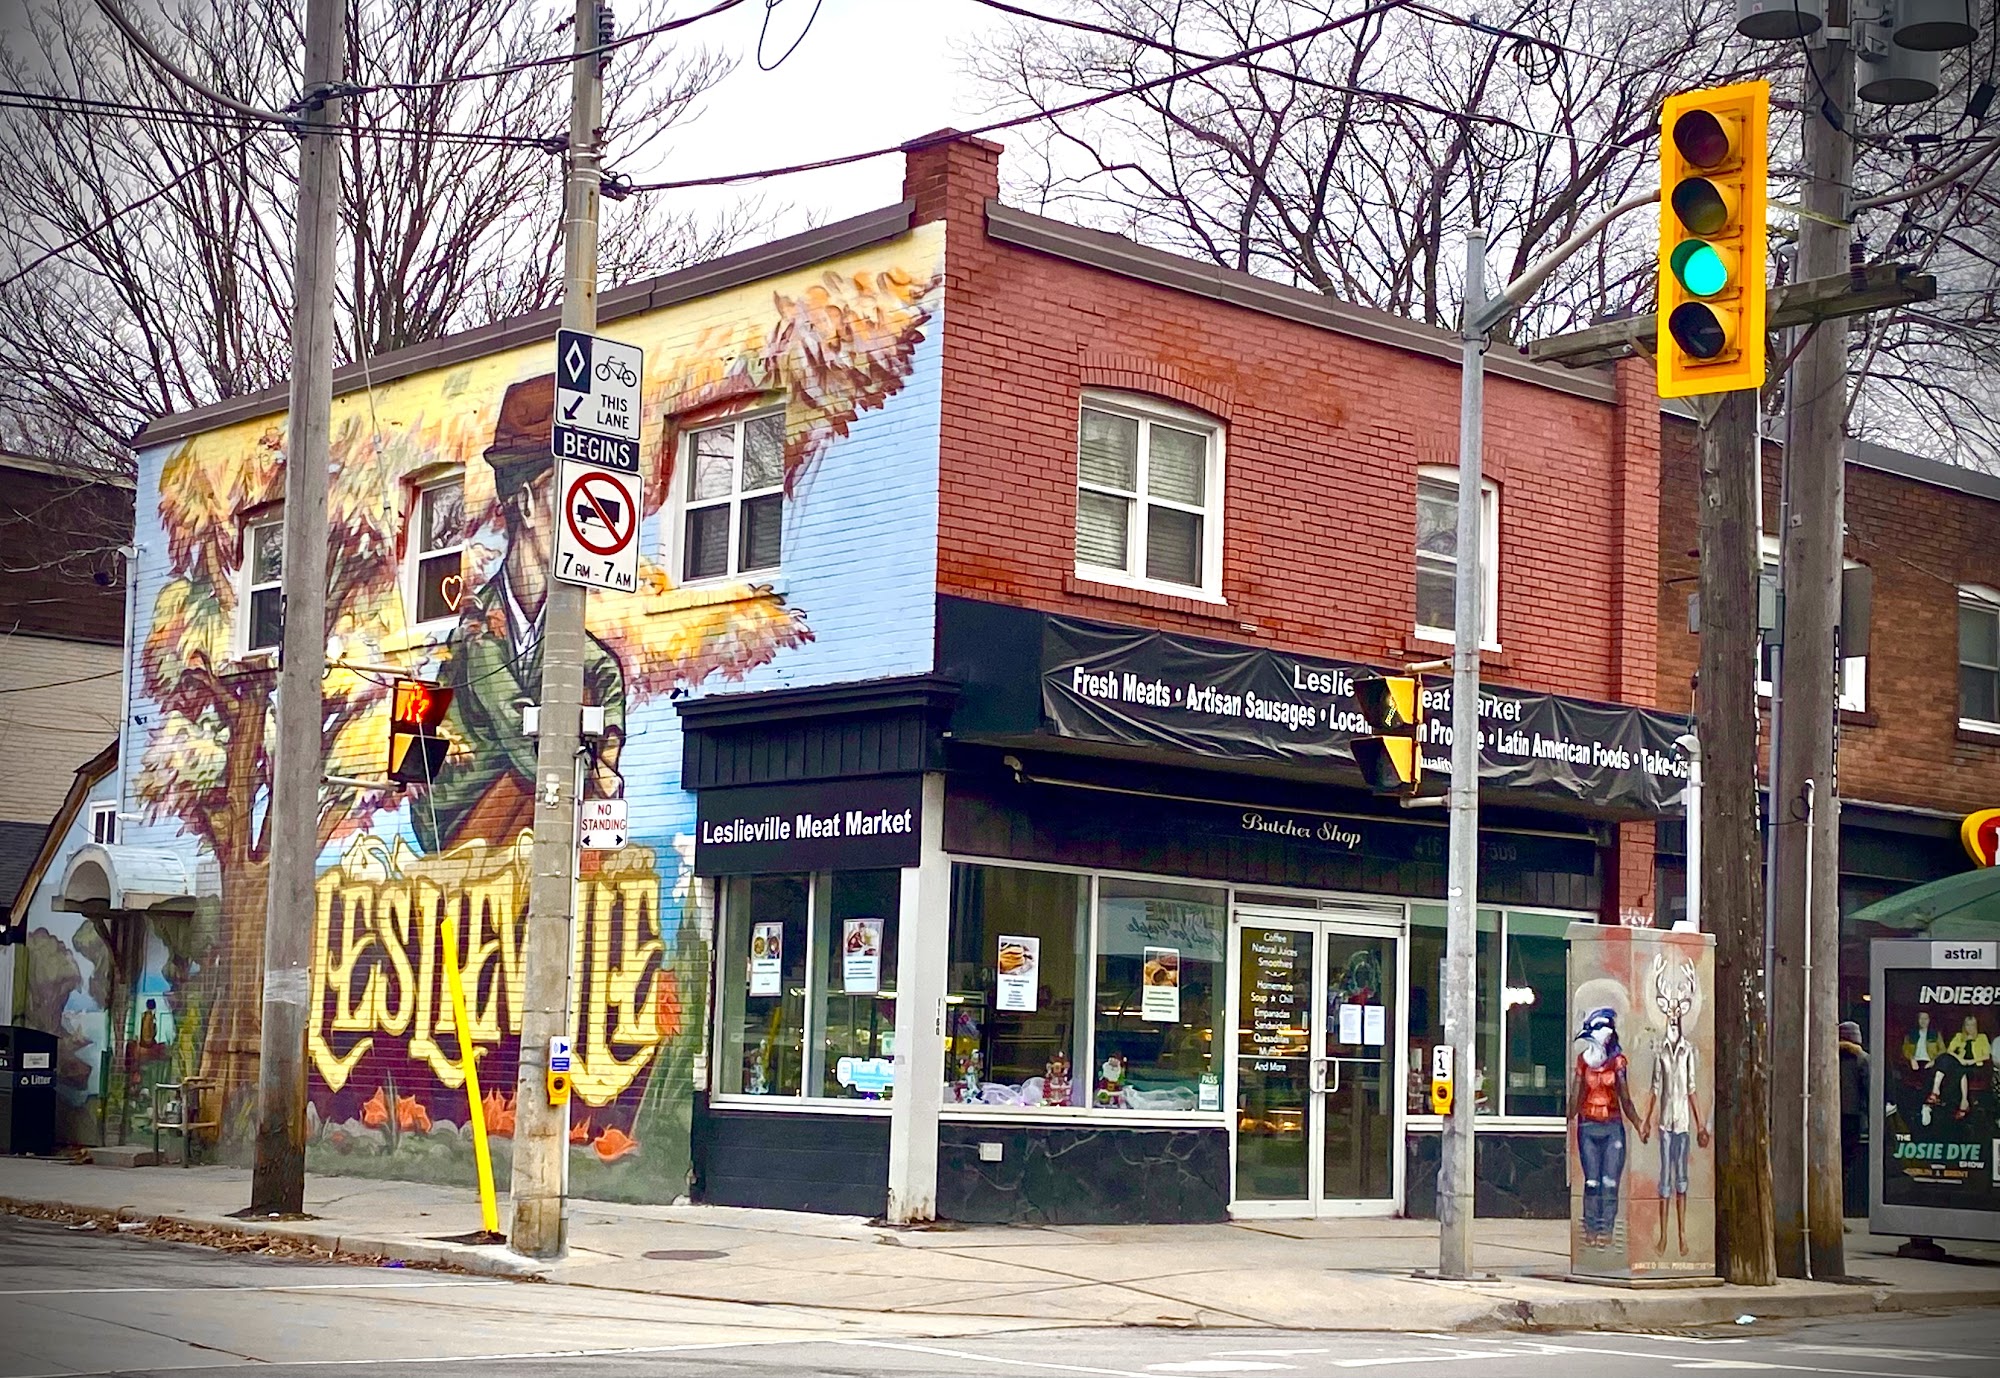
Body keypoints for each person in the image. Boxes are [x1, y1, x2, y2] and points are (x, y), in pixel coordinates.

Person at [425, 375, 627, 851]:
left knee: (582, 687)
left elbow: (604, 670)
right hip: (464, 813)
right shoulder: (477, 630)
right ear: (528, 502)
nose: (589, 513)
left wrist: (609, 745)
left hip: (532, 807)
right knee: (553, 732)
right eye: (572, 492)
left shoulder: (563, 628)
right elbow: (518, 728)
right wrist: (588, 777)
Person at [1641, 961, 1710, 1256]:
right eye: (1668, 1010)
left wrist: (1701, 1124)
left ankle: (1681, 1235)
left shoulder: (1687, 1052)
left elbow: (1692, 1088)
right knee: (1664, 1179)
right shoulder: (1661, 1052)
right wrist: (1645, 1121)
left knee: (1682, 1178)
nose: (1672, 1015)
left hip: (1682, 1124)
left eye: (1676, 1010)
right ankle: (1663, 1237)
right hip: (1665, 1125)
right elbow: (1655, 1088)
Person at [1570, 1007, 1645, 1251]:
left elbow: (1625, 1099)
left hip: (1612, 1127)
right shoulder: (1583, 1061)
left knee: (1610, 1182)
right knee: (1592, 1182)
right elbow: (1575, 1098)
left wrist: (1638, 1123)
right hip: (1588, 1126)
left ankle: (1607, 1230)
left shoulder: (1617, 1062)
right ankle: (1591, 1229)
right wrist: (1566, 1116)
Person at [1838, 1019, 1869, 1217]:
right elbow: (1869, 1088)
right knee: (1847, 1166)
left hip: (1835, 1117)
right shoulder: (1862, 1059)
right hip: (1853, 1117)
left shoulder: (1830, 1057)